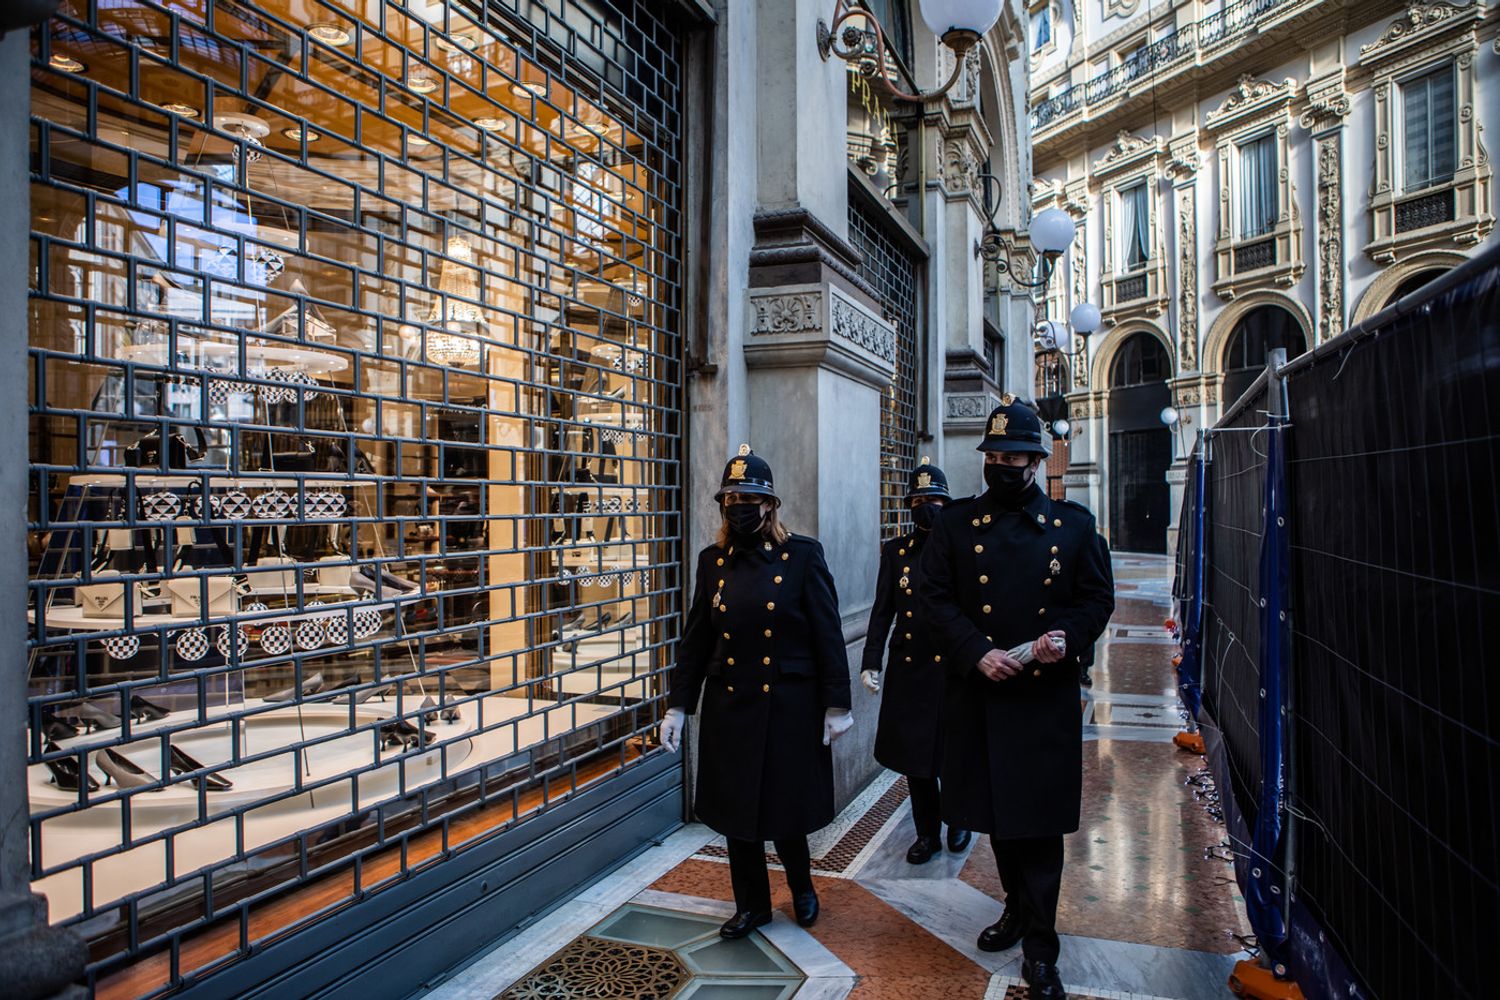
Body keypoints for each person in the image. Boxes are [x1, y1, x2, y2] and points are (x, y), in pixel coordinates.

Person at [919, 396, 1114, 1000]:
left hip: (1041, 701)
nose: (1003, 466)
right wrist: (976, 650)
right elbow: (933, 599)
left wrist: (1068, 638)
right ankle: (1013, 908)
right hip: (980, 693)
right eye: (995, 455)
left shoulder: (1073, 526)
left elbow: (1095, 600)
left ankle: (1041, 947)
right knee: (999, 819)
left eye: (1015, 457)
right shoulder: (953, 526)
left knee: (1039, 825)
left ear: (1036, 461)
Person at [660, 445, 854, 939]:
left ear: (770, 505)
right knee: (737, 816)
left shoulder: (802, 556)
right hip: (732, 706)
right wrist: (679, 706)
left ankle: (802, 887)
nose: (739, 505)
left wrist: (837, 704)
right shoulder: (713, 562)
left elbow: (828, 633)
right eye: (730, 497)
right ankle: (752, 905)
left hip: (789, 706)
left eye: (748, 497)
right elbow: (698, 638)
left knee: (786, 811)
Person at [860, 458, 971, 864]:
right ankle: (927, 833)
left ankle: (960, 818)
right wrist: (870, 660)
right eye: (919, 500)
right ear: (909, 506)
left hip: (953, 668)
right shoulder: (896, 552)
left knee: (952, 753)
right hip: (910, 667)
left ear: (947, 504)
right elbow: (882, 609)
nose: (927, 507)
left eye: (935, 500)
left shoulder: (962, 551)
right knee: (916, 760)